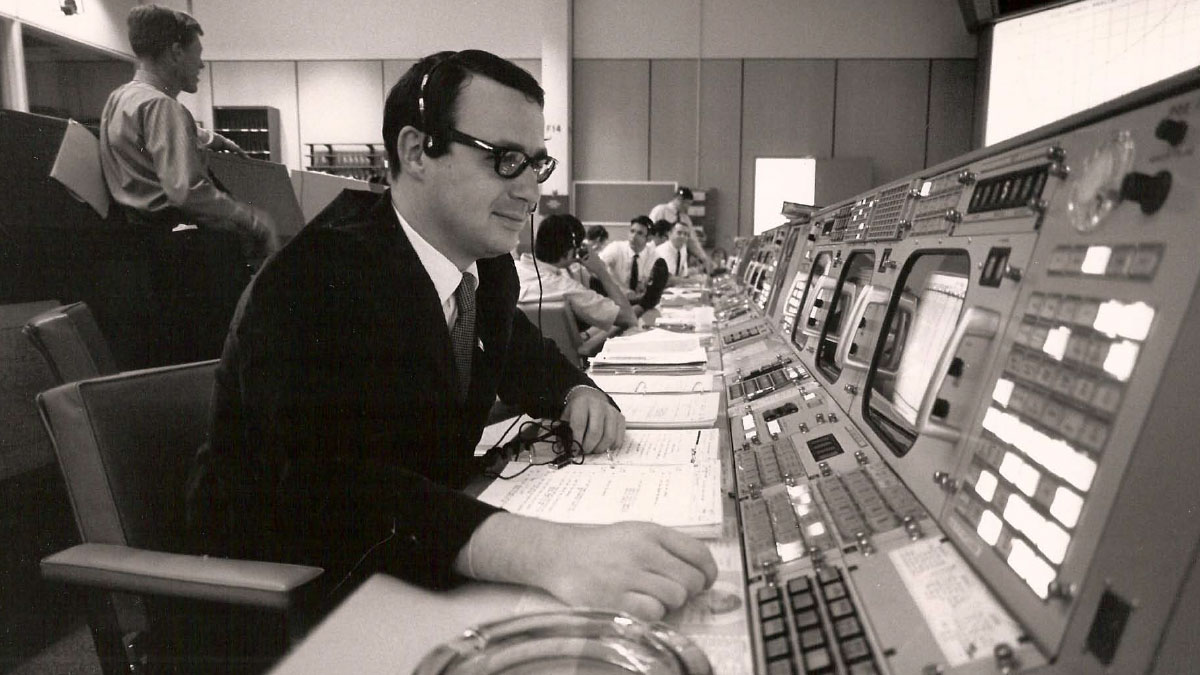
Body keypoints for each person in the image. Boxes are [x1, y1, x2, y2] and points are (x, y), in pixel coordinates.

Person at [186, 50, 716, 622]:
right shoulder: (316, 276)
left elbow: (520, 351)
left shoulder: (481, 270)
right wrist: (546, 550)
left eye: (537, 164)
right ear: (417, 151)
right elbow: (330, 486)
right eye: (506, 160)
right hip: (298, 589)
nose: (532, 194)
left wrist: (576, 392)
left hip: (416, 547)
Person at [100, 5, 279, 365]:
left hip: (145, 256)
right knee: (221, 357)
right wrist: (255, 218)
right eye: (197, 55)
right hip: (185, 259)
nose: (200, 65)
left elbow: (147, 137)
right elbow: (187, 191)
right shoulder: (165, 108)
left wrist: (208, 137)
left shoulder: (122, 98)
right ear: (175, 52)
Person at [516, 213, 637, 338]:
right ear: (571, 252)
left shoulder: (510, 270)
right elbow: (629, 318)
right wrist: (602, 271)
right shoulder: (567, 290)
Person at [599, 215, 668, 313]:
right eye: (632, 231)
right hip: (613, 302)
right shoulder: (616, 248)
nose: (633, 237)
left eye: (639, 233)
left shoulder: (654, 257)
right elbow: (599, 267)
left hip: (641, 304)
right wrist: (622, 289)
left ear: (649, 238)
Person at [649, 186, 711, 273]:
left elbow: (693, 241)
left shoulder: (685, 218)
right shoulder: (660, 210)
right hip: (659, 254)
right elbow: (651, 234)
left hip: (677, 254)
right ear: (679, 199)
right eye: (687, 204)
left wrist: (704, 258)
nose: (688, 208)